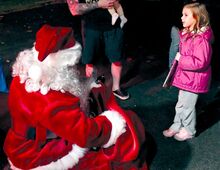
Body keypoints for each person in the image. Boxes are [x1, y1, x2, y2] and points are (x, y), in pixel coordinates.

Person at [3, 24, 148, 170]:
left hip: (18, 145)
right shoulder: (51, 98)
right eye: (70, 65)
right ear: (61, 63)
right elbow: (84, 134)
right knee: (121, 141)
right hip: (40, 152)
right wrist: (111, 125)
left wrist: (88, 89)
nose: (73, 68)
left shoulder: (22, 77)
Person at [163, 3, 213, 141]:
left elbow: (200, 62)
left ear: (197, 18)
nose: (181, 18)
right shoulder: (187, 34)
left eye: (186, 15)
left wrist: (181, 59)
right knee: (181, 103)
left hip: (194, 80)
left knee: (188, 106)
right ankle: (177, 124)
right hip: (186, 77)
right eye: (182, 14)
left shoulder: (201, 40)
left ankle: (189, 130)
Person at [67, 0, 129, 100]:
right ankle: (92, 88)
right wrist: (98, 4)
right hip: (91, 26)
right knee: (89, 59)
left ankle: (116, 88)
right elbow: (74, 10)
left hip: (113, 26)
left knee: (116, 57)